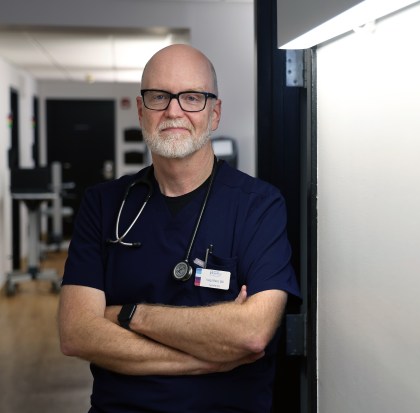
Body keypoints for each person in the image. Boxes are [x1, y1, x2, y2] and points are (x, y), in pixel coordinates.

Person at [58, 44, 301, 413]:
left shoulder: (258, 205)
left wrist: (127, 314)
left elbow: (251, 334)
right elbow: (76, 333)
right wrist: (209, 356)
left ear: (214, 112)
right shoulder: (104, 204)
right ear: (141, 111)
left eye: (192, 97)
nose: (174, 111)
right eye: (159, 97)